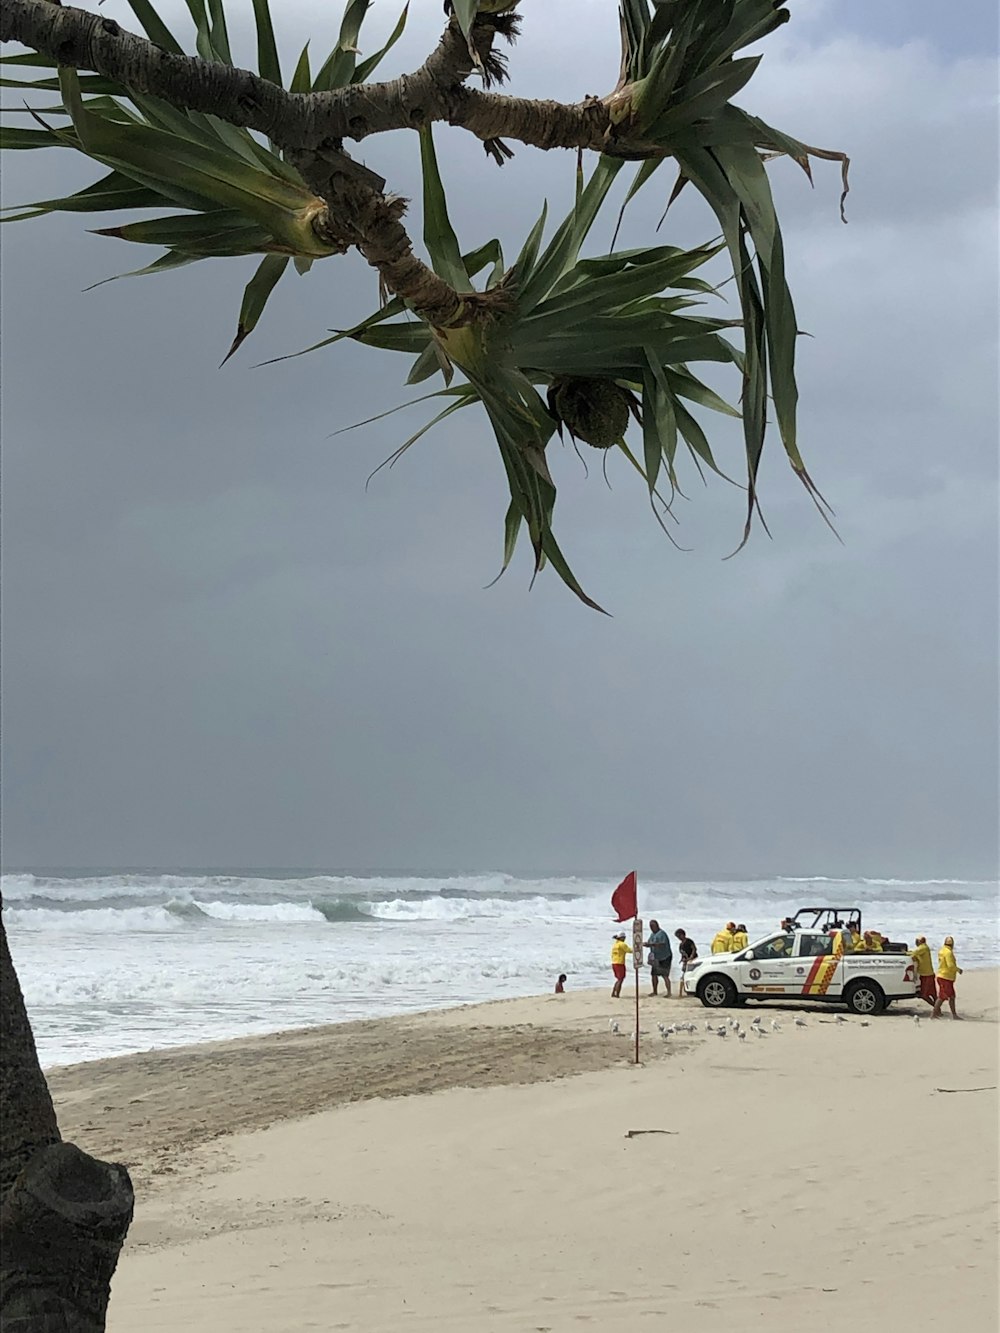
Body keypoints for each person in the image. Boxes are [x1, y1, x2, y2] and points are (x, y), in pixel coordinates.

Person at [931, 936, 963, 1020]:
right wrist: (958, 970)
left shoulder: (942, 950)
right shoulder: (948, 952)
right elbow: (951, 965)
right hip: (946, 977)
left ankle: (935, 1014)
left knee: (944, 996)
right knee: (947, 996)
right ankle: (952, 1015)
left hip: (941, 975)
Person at [644, 919, 673, 997]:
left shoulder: (662, 934)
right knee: (654, 975)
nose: (651, 928)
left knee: (665, 975)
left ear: (657, 925)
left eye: (652, 926)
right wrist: (646, 944)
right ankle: (655, 991)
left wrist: (652, 945)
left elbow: (662, 944)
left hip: (665, 956)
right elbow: (650, 942)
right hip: (656, 957)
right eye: (650, 927)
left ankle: (669, 992)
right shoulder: (652, 934)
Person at [909, 937, 935, 1005]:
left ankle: (936, 1008)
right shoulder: (924, 948)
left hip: (926, 975)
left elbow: (913, 954)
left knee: (924, 995)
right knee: (933, 994)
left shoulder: (923, 948)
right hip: (928, 973)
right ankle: (937, 1009)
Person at [674, 929, 697, 997]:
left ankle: (688, 991)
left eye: (679, 936)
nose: (678, 938)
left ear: (683, 934)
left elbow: (694, 949)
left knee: (690, 975)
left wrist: (691, 957)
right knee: (684, 975)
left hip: (693, 961)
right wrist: (683, 959)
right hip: (686, 961)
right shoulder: (681, 945)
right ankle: (681, 993)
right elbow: (682, 953)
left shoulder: (689, 941)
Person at [610, 933, 631, 999]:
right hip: (620, 963)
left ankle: (613, 992)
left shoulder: (615, 945)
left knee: (618, 979)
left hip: (614, 962)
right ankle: (617, 994)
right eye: (624, 937)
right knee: (620, 979)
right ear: (621, 938)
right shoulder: (622, 944)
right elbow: (629, 950)